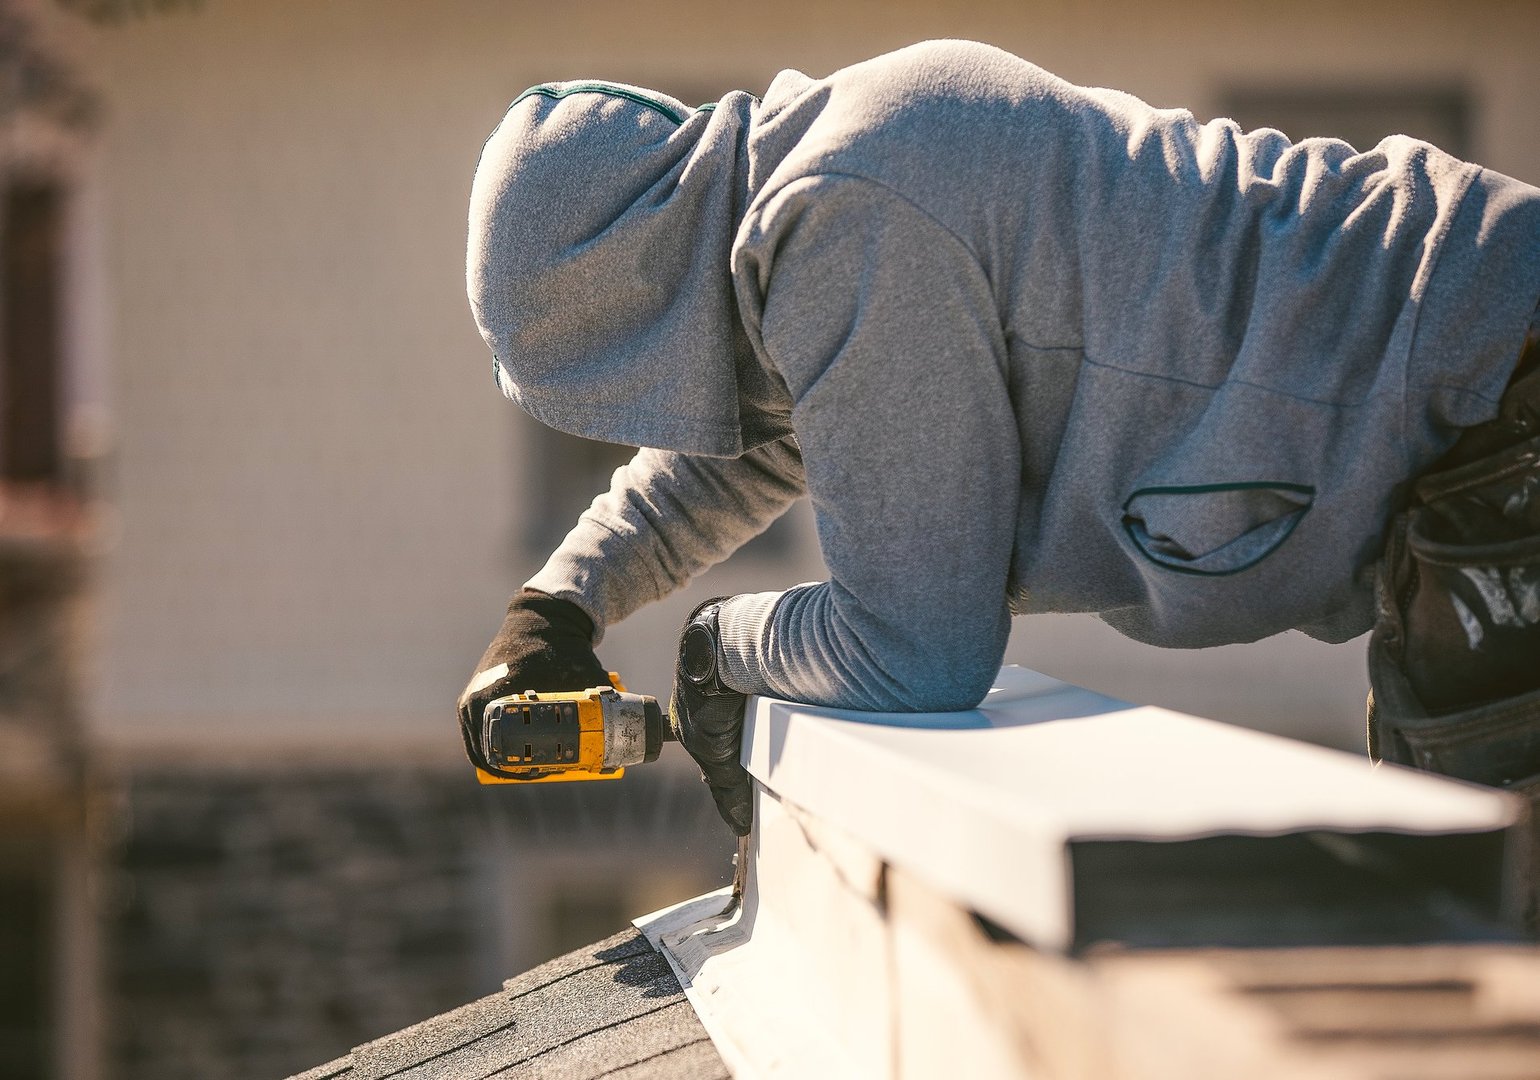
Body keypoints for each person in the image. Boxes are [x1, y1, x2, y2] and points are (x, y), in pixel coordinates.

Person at [458, 40, 1540, 837]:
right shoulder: (825, 174)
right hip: (1476, 375)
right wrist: (553, 609)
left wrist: (721, 643)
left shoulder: (841, 224)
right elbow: (761, 441)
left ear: (634, 300)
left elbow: (914, 650)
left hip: (1492, 401)